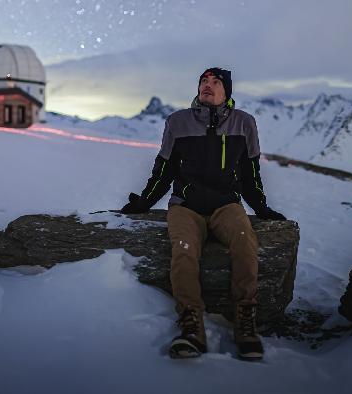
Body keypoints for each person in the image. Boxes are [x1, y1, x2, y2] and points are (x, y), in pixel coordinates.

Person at [121, 68, 285, 361]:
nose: (207, 86)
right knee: (183, 251)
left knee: (246, 241)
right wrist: (144, 202)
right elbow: (165, 169)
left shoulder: (244, 123)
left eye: (215, 82)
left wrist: (261, 208)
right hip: (186, 205)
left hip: (226, 204)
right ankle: (191, 327)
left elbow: (250, 175)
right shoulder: (178, 122)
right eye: (203, 81)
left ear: (227, 91)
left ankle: (245, 322)